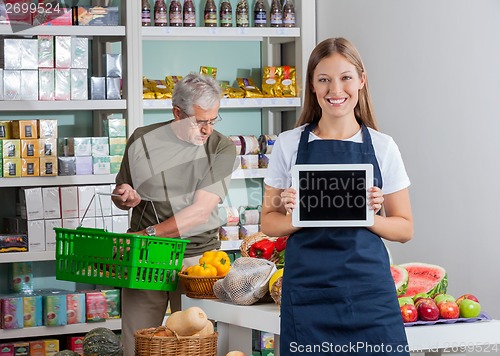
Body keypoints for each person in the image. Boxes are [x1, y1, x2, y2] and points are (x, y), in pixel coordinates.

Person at [261, 37, 414, 355]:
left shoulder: (383, 147)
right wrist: (296, 215)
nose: (336, 90)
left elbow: (404, 228)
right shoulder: (289, 145)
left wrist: (369, 217)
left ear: (361, 80)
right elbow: (269, 222)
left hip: (368, 294)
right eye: (324, 80)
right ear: (313, 87)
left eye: (345, 78)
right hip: (308, 294)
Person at [111, 73, 236, 355]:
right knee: (137, 343)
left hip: (197, 260)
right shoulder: (142, 139)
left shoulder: (221, 147)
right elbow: (123, 192)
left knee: (194, 345)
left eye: (213, 120)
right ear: (177, 113)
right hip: (146, 259)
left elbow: (200, 213)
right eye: (200, 121)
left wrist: (144, 236)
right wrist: (125, 196)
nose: (207, 130)